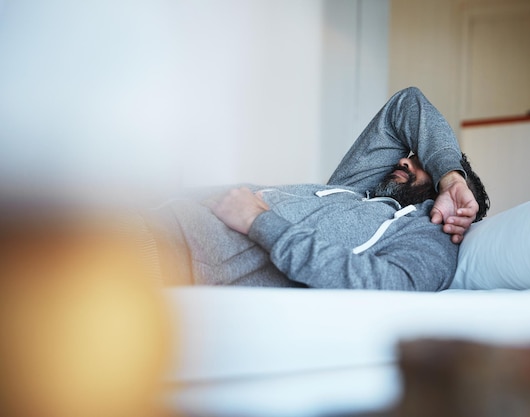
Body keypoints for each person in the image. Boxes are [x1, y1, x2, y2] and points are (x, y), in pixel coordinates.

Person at [148, 87, 489, 290]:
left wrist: (257, 220)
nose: (404, 162)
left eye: (421, 165)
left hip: (174, 254)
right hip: (161, 214)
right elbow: (407, 104)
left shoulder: (428, 239)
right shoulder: (358, 192)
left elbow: (382, 285)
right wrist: (450, 175)